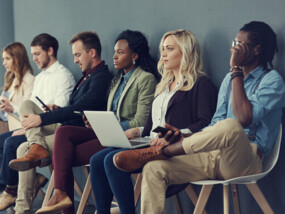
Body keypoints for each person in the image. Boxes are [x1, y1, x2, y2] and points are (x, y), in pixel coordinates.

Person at [114, 21, 285, 214]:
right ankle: (161, 154)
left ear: (256, 50)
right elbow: (215, 123)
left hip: (246, 159)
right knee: (154, 169)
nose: (233, 49)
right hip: (213, 155)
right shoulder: (229, 80)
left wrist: (236, 69)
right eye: (234, 43)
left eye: (240, 45)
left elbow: (244, 118)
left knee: (231, 125)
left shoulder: (272, 81)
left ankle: (166, 151)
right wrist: (184, 136)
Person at [89, 29, 217, 214]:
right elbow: (150, 127)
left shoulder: (200, 83)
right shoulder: (163, 84)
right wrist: (136, 132)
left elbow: (206, 123)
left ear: (185, 52)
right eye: (163, 48)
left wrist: (175, 134)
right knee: (96, 160)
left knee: (111, 160)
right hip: (149, 142)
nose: (163, 54)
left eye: (170, 49)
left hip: (173, 145)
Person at [35, 29, 158, 214]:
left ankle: (69, 202)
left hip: (127, 136)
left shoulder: (145, 79)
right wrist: (97, 123)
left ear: (134, 55)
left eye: (120, 52)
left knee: (64, 156)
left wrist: (110, 127)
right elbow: (111, 113)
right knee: (64, 132)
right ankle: (61, 194)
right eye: (115, 51)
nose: (114, 56)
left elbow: (141, 121)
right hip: (107, 133)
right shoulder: (117, 81)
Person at [9, 31, 113, 214]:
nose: (74, 60)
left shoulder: (101, 77)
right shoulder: (86, 77)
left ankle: (22, 210)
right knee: (26, 104)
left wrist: (42, 118)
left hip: (77, 132)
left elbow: (82, 107)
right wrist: (56, 108)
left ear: (93, 53)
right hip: (65, 127)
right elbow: (74, 107)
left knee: (20, 149)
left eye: (78, 55)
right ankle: (36, 147)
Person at [0, 34, 76, 212]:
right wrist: (23, 127)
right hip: (34, 129)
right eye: (32, 54)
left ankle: (10, 192)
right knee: (3, 140)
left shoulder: (64, 76)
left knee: (12, 143)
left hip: (51, 130)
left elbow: (60, 112)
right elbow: (28, 110)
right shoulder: (41, 78)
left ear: (50, 51)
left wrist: (27, 125)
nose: (33, 58)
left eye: (37, 54)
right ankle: (23, 185)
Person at [0, 42, 35, 205]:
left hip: (23, 128)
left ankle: (9, 189)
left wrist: (10, 107)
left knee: (7, 143)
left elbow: (29, 112)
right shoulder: (11, 79)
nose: (4, 63)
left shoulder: (30, 81)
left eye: (7, 58)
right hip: (9, 125)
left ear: (17, 58)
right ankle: (7, 187)